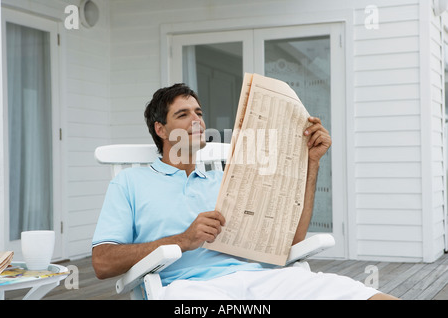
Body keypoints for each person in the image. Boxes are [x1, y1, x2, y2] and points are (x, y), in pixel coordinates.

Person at [92, 83, 398, 300]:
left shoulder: (227, 179)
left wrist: (312, 163)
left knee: (358, 293)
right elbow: (102, 263)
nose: (197, 120)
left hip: (264, 279)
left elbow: (291, 241)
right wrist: (185, 240)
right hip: (191, 288)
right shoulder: (130, 183)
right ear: (160, 130)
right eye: (183, 114)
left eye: (198, 112)